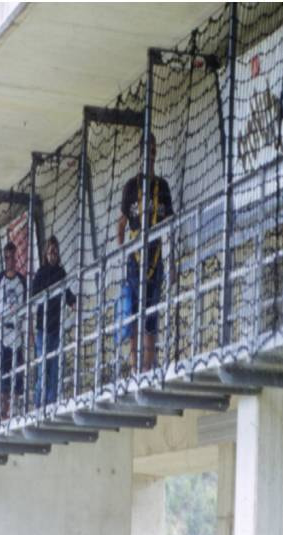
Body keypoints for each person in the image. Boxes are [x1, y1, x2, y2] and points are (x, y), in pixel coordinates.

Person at [117, 134, 174, 372]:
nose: (149, 154)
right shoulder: (131, 187)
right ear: (140, 152)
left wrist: (173, 263)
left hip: (155, 258)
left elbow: (171, 225)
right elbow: (120, 224)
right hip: (134, 261)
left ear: (156, 151)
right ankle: (135, 368)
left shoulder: (163, 187)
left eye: (152, 149)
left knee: (151, 317)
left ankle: (148, 368)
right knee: (134, 316)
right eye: (145, 149)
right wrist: (122, 252)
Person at [31, 236, 75, 407]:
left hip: (56, 328)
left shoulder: (61, 273)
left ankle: (52, 402)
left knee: (56, 367)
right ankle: (39, 403)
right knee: (43, 369)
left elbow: (67, 292)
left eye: (55, 251)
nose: (53, 255)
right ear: (45, 254)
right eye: (50, 252)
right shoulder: (40, 273)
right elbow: (34, 295)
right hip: (43, 328)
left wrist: (72, 302)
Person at [0, 242, 27, 409]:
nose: (9, 260)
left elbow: (27, 307)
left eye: (12, 257)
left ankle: (16, 409)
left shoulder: (21, 281)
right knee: (4, 376)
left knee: (18, 373)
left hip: (17, 332)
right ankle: (4, 411)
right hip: (2, 332)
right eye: (7, 257)